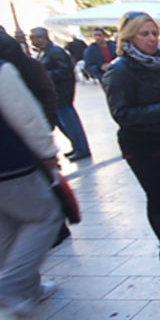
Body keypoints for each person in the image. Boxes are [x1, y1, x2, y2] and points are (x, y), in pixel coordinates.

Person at [102, 12, 160, 263]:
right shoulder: (120, 70)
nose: (152, 39)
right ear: (130, 36)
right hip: (143, 145)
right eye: (145, 34)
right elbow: (122, 114)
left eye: (154, 33)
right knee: (158, 195)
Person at [0, 59, 63, 317]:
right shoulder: (2, 69)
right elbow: (26, 115)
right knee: (46, 216)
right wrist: (48, 153)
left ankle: (28, 289)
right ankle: (11, 286)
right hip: (10, 164)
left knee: (7, 227)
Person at [29, 27, 91, 161]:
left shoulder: (55, 52)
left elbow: (65, 71)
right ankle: (77, 146)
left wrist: (43, 76)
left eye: (33, 37)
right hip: (55, 94)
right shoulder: (44, 53)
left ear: (42, 37)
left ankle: (81, 148)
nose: (31, 40)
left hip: (62, 93)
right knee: (63, 123)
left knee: (69, 121)